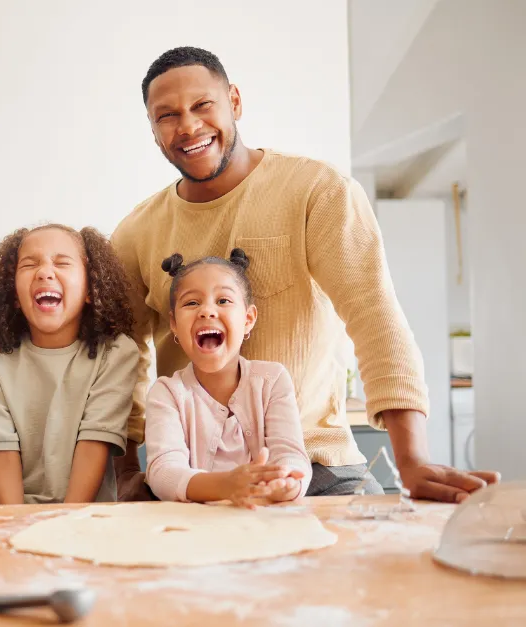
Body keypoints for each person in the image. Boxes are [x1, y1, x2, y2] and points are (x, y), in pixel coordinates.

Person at [112, 46, 500, 502]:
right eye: (167, 115)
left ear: (234, 101)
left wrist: (412, 460)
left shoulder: (317, 191)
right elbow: (121, 360)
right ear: (154, 131)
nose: (189, 126)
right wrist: (124, 476)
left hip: (317, 467)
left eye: (203, 105)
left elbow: (374, 314)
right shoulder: (137, 232)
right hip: (194, 480)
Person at [0, 225, 138, 504]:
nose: (44, 272)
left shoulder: (116, 353)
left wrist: (63, 525)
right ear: (13, 294)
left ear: (90, 289)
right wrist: (17, 526)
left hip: (84, 518)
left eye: (62, 263)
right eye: (29, 264)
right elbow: (2, 454)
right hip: (13, 517)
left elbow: (94, 446)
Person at [145, 250, 310, 506]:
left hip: (263, 520)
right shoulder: (166, 394)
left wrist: (285, 484)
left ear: (248, 319)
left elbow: (291, 455)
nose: (207, 311)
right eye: (191, 303)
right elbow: (163, 472)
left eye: (223, 301)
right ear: (174, 324)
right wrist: (226, 486)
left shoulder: (272, 380)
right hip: (194, 528)